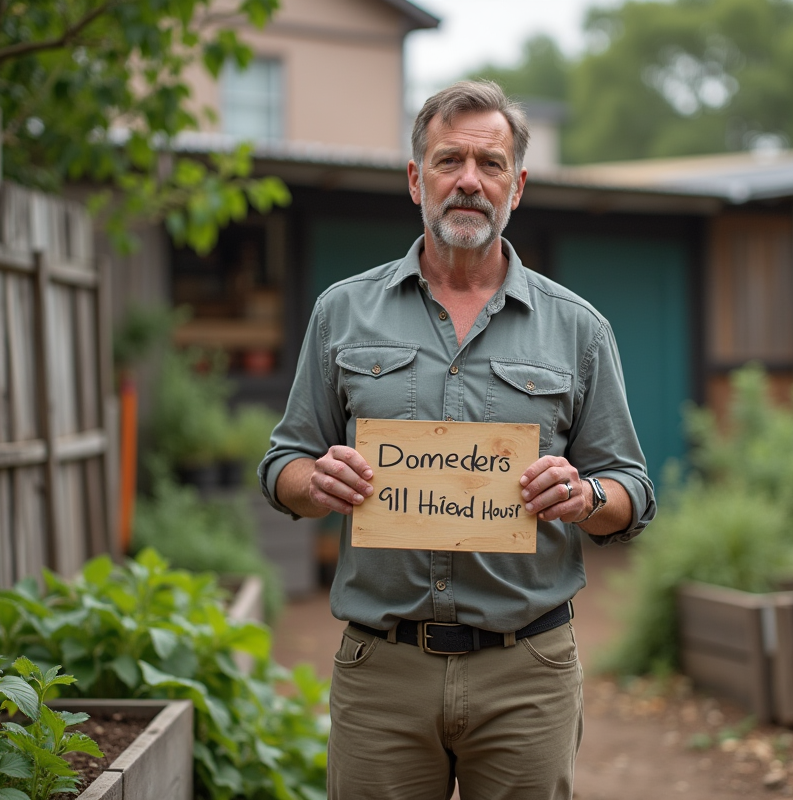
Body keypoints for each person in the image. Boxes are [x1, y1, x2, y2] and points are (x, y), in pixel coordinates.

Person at [258, 80, 655, 800]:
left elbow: (631, 489)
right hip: (382, 673)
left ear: (518, 185)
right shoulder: (342, 312)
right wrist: (313, 481)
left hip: (526, 671)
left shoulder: (578, 328)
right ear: (416, 179)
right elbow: (282, 462)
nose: (469, 181)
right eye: (449, 161)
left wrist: (586, 493)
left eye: (491, 164)